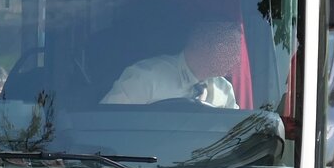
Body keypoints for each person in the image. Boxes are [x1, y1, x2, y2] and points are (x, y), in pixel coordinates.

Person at [101, 19, 241, 108]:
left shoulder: (224, 90)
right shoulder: (144, 78)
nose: (236, 58)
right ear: (202, 44)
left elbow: (236, 139)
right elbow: (105, 126)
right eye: (229, 47)